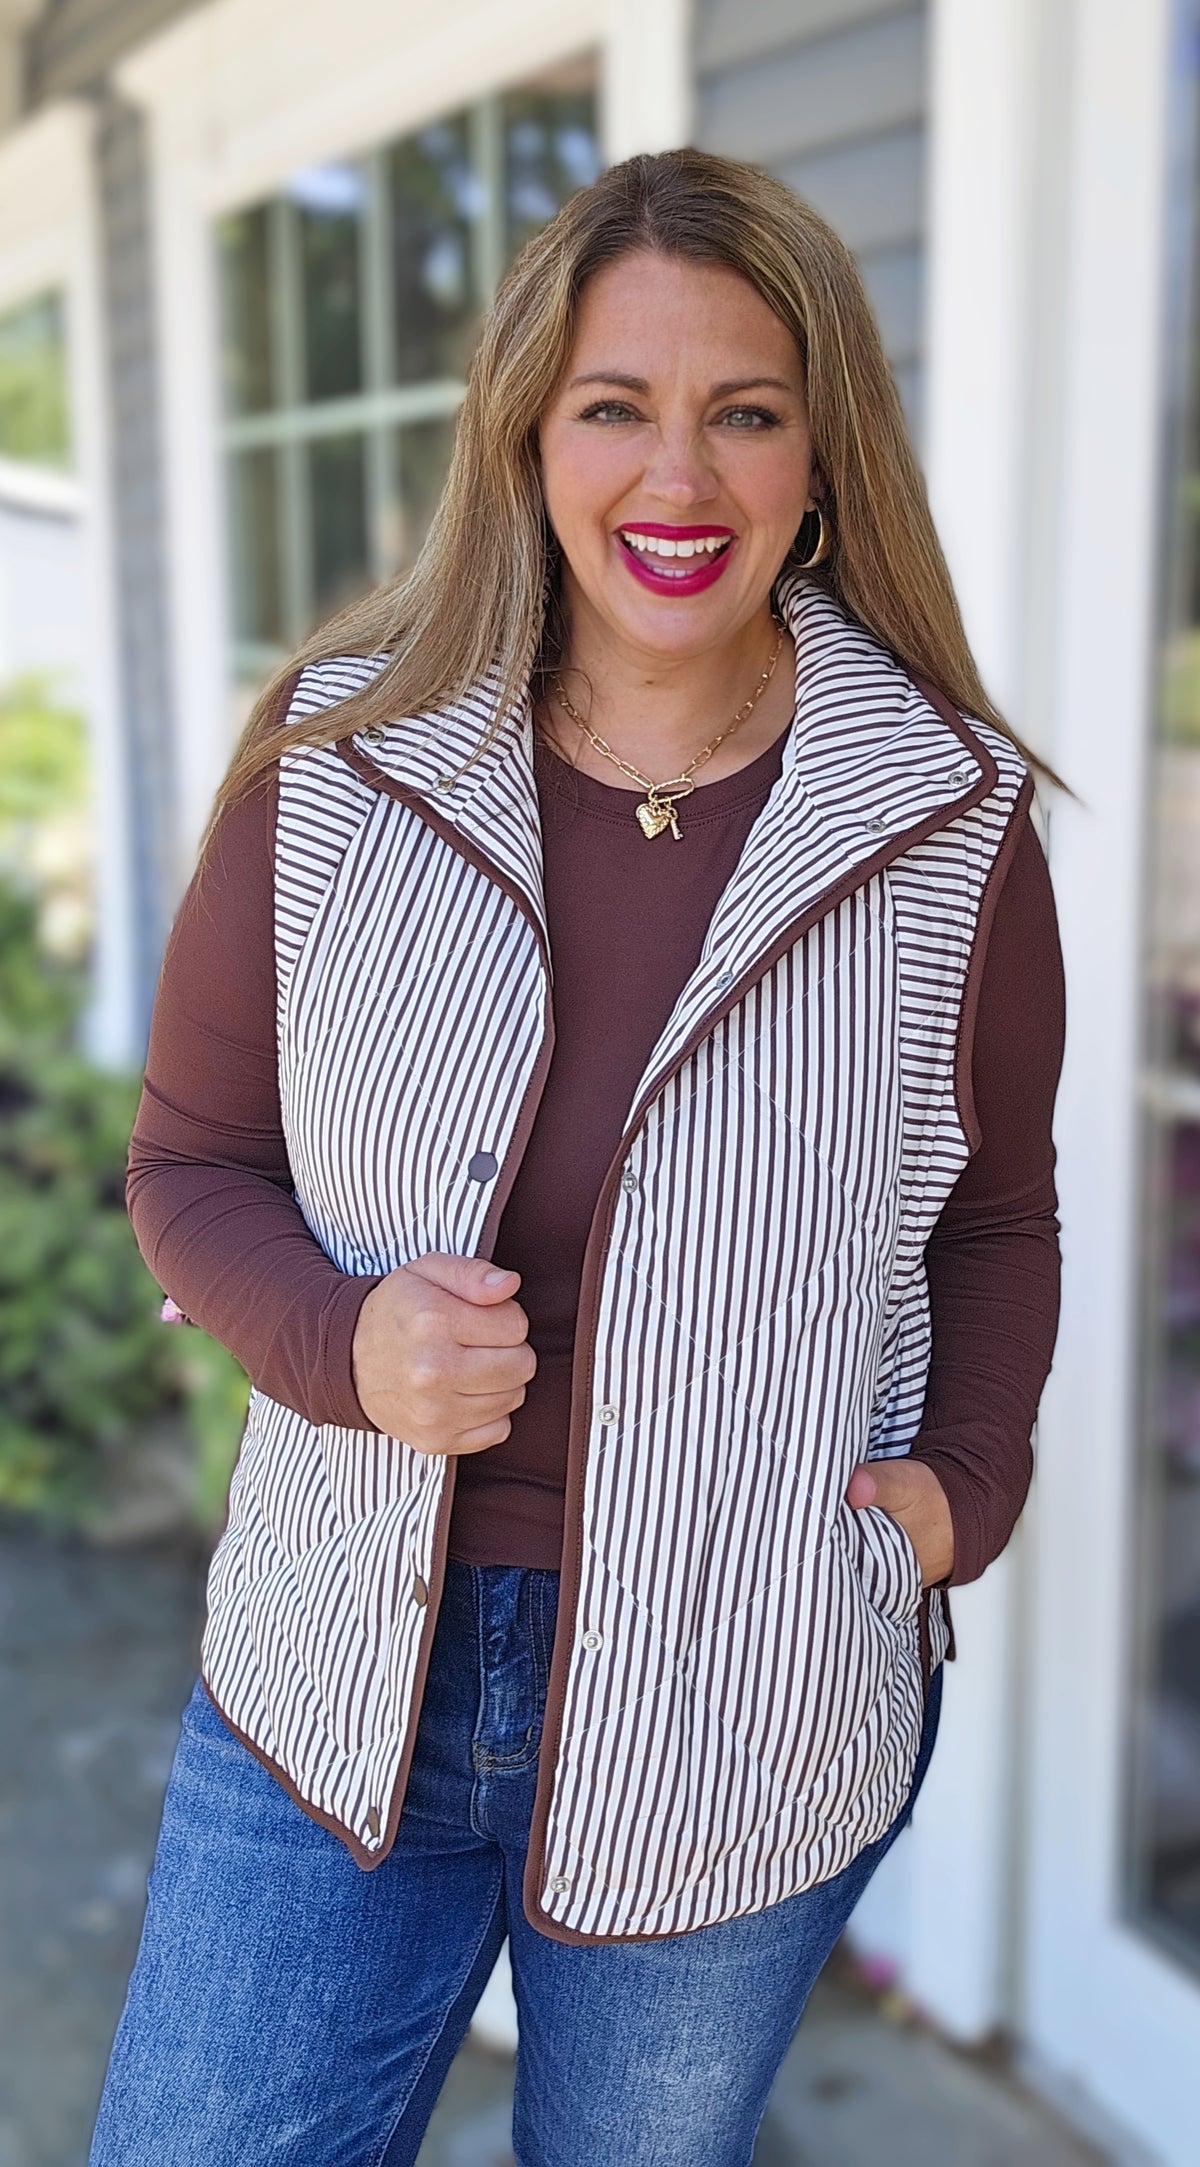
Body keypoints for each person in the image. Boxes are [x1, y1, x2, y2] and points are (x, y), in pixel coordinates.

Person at [89, 148, 1065, 2166]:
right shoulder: (347, 761)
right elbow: (190, 1161)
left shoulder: (948, 825)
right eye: (617, 405)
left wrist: (961, 1489)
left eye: (746, 411)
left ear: (825, 452)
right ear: (531, 427)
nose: (675, 477)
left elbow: (995, 1208)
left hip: (747, 1690)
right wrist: (345, 1343)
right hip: (334, 1669)